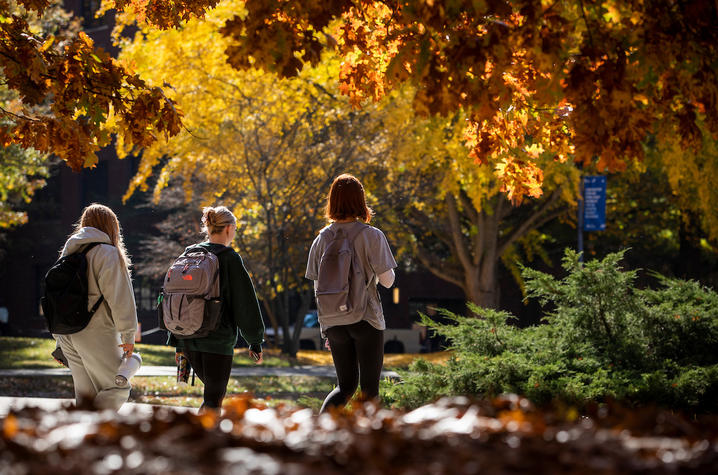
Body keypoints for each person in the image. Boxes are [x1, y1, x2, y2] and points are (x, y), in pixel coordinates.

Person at [306, 174, 397, 412]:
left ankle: (321, 430)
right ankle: (367, 442)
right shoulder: (371, 235)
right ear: (361, 201)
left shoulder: (321, 239)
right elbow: (388, 281)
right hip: (366, 318)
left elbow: (318, 288)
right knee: (369, 390)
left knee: (344, 386)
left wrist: (326, 327)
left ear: (332, 202)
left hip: (334, 321)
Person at [169, 206, 265, 411]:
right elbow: (245, 304)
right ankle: (199, 440)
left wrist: (177, 342)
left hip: (187, 337)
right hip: (216, 340)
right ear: (229, 229)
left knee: (210, 398)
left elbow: (177, 297)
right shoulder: (229, 258)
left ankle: (200, 438)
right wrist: (255, 341)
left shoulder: (189, 253)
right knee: (213, 399)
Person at [53, 203, 138, 411]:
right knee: (117, 387)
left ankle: (82, 438)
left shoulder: (68, 253)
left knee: (86, 396)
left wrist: (58, 340)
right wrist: (128, 336)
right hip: (96, 330)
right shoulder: (108, 253)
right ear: (111, 227)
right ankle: (93, 432)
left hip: (67, 334)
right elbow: (120, 298)